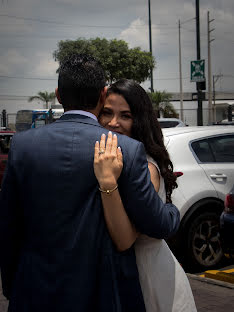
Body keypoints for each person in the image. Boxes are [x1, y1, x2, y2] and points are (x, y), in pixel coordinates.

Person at [0, 55, 180, 312]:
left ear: (58, 95)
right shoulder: (127, 149)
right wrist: (173, 210)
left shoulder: (22, 146)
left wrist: (12, 286)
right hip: (102, 292)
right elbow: (159, 223)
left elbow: (9, 227)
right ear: (102, 94)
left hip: (34, 289)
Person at [94, 79, 197, 312]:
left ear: (139, 121)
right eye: (107, 113)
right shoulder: (109, 159)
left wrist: (107, 181)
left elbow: (125, 239)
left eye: (125, 116)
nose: (113, 123)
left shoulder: (146, 169)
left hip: (148, 276)